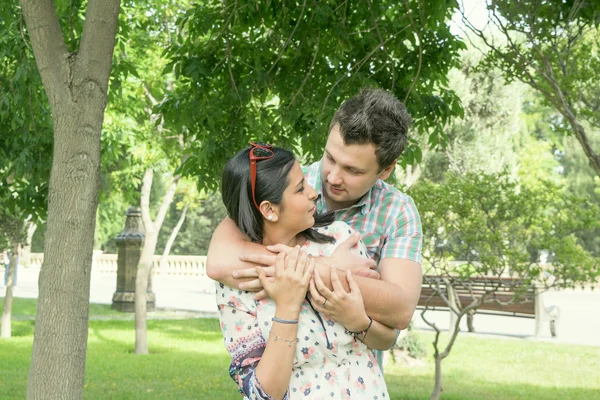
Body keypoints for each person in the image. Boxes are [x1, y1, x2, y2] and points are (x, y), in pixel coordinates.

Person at [207, 88, 423, 336]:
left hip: (356, 367)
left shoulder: (398, 212)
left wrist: (298, 277)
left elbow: (400, 308)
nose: (333, 177)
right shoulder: (287, 182)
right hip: (276, 364)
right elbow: (220, 261)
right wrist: (327, 269)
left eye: (353, 171)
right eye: (330, 158)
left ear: (385, 171)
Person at [218, 143, 396, 399]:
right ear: (269, 209)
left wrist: (358, 321)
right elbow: (264, 393)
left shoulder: (341, 241)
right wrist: (287, 306)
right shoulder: (238, 279)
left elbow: (388, 338)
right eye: (301, 188)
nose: (314, 193)